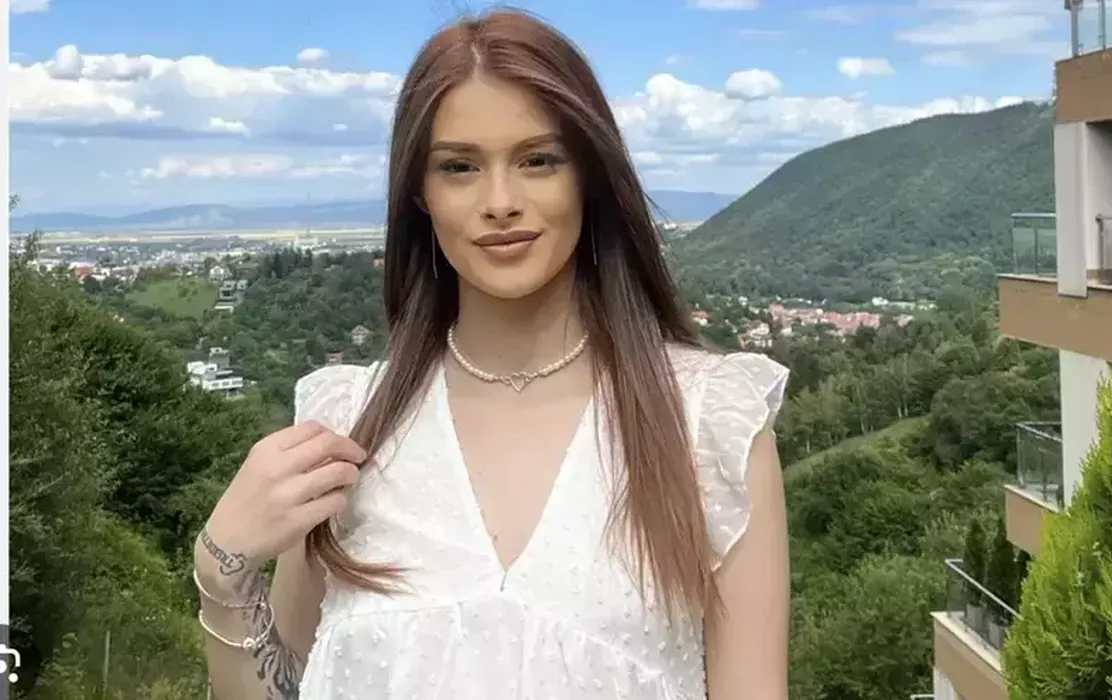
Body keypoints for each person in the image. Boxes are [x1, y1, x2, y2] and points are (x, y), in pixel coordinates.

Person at [192, 7, 790, 699]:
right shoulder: (347, 424)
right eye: (459, 167)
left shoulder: (708, 421)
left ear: (588, 176)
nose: (500, 201)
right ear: (419, 193)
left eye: (538, 160)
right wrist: (221, 574)